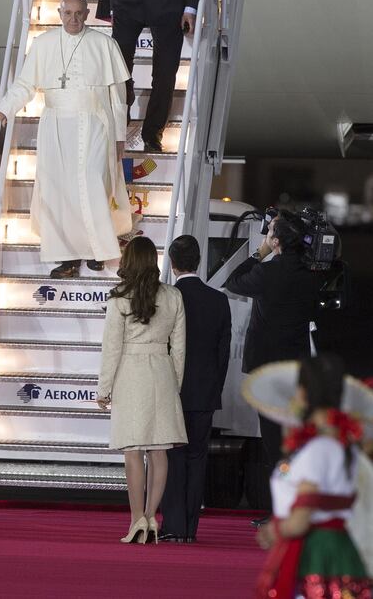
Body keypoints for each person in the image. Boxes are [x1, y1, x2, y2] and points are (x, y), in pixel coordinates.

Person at [0, 0, 132, 278]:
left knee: (93, 182)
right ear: (59, 13)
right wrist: (5, 109)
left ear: (88, 12)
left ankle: (96, 251)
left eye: (79, 13)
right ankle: (66, 257)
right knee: (58, 190)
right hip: (55, 125)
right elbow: (25, 84)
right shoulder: (43, 44)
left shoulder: (104, 44)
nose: (74, 19)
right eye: (68, 13)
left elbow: (118, 98)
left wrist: (119, 136)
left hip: (95, 124)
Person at [248, 354, 373, 599]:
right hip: (339, 552)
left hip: (315, 554)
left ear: (304, 393)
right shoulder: (343, 445)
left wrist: (275, 530)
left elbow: (300, 520)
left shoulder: (318, 450)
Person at [97, 236, 187, 543]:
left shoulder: (118, 298)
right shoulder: (174, 296)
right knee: (159, 451)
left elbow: (111, 349)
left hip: (130, 373)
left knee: (133, 452)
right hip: (161, 372)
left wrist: (104, 387)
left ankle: (136, 520)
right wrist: (174, 383)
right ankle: (151, 517)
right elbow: (179, 349)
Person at [225, 210, 319, 472]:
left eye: (269, 233)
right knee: (292, 433)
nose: (266, 236)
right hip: (296, 366)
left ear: (276, 242)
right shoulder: (310, 275)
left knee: (272, 437)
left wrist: (259, 253)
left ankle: (279, 505)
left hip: (267, 366)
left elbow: (233, 282)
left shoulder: (267, 272)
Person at [160, 235, 231, 543]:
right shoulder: (218, 300)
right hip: (204, 392)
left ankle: (173, 526)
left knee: (173, 460)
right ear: (199, 260)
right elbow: (223, 353)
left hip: (170, 391)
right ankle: (190, 529)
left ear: (172, 263)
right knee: (197, 459)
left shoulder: (166, 299)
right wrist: (214, 388)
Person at [97, 0, 202, 152]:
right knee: (118, 69)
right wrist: (109, 6)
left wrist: (190, 7)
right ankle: (119, 121)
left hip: (169, 0)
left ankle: (153, 133)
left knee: (165, 73)